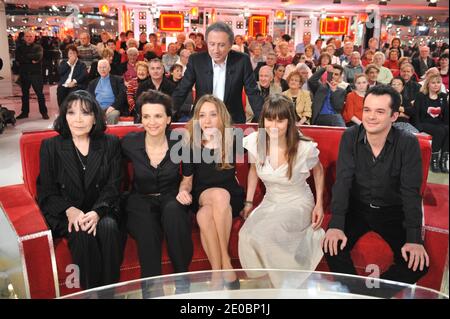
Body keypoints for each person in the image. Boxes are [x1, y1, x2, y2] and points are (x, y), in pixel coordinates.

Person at [322, 85, 429, 298]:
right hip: (358, 207)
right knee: (331, 246)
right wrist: (336, 225)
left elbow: (411, 192)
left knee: (418, 264)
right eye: (367, 110)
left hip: (392, 210)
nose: (370, 117)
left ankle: (372, 295)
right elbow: (343, 181)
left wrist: (414, 238)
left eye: (380, 112)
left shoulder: (408, 143)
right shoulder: (350, 137)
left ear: (394, 116)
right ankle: (357, 294)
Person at [36, 90, 123, 291]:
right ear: (64, 117)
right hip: (67, 212)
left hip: (102, 208)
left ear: (95, 118)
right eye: (71, 113)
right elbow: (46, 191)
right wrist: (70, 210)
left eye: (85, 113)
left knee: (109, 227)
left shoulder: (109, 143)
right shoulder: (51, 146)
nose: (78, 120)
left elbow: (114, 185)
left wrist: (98, 212)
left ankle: (110, 292)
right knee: (80, 231)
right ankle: (92, 294)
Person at [239, 94, 325, 287]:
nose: (274, 126)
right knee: (245, 235)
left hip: (298, 201)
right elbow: (253, 170)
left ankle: (284, 284)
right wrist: (249, 202)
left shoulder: (304, 147)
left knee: (264, 235)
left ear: (290, 121)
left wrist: (319, 204)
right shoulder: (256, 141)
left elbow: (318, 171)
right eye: (269, 119)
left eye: (280, 120)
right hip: (271, 201)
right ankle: (263, 283)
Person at [121, 91, 193, 296]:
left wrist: (183, 191)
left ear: (169, 119)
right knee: (145, 223)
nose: (152, 122)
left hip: (171, 195)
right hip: (140, 198)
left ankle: (182, 281)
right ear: (141, 118)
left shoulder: (180, 140)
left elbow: (187, 177)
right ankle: (152, 291)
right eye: (146, 116)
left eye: (158, 116)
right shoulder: (129, 142)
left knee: (174, 212)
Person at [183, 95, 245, 289]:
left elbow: (259, 162)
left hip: (231, 198)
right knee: (217, 196)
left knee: (204, 217)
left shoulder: (233, 137)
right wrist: (183, 191)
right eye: (202, 115)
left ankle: (216, 273)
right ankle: (226, 262)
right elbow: (187, 181)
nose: (207, 120)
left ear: (221, 117)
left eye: (212, 114)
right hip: (203, 194)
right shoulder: (190, 143)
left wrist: (250, 202)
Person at [172, 21, 263, 123]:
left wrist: (263, 120)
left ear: (230, 45)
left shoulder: (242, 60)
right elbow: (182, 90)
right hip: (202, 121)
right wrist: (168, 114)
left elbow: (253, 92)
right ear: (207, 43)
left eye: (221, 45)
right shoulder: (196, 60)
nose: (216, 50)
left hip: (232, 120)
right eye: (212, 44)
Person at [414, 74, 449, 173]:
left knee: (446, 129)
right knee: (440, 131)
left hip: (438, 123)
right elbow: (416, 113)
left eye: (438, 82)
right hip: (424, 123)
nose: (436, 85)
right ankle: (434, 161)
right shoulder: (421, 96)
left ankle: (443, 160)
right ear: (428, 84)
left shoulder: (443, 96)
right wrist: (418, 126)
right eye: (433, 83)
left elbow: (446, 115)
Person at [15, 30, 49, 119]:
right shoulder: (20, 48)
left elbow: (38, 56)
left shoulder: (38, 47)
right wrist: (31, 60)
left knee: (40, 94)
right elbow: (18, 58)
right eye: (27, 36)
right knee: (25, 94)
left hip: (36, 74)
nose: (29, 38)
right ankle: (24, 113)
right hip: (24, 73)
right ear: (24, 37)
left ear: (34, 37)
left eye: (31, 36)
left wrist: (25, 57)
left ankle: (44, 112)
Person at [87, 59, 127, 124]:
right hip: (98, 108)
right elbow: (89, 97)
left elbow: (122, 95)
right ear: (97, 69)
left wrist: (113, 106)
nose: (102, 69)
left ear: (109, 68)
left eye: (104, 67)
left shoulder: (118, 80)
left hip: (112, 108)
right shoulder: (92, 83)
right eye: (100, 67)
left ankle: (109, 134)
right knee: (89, 115)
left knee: (113, 115)